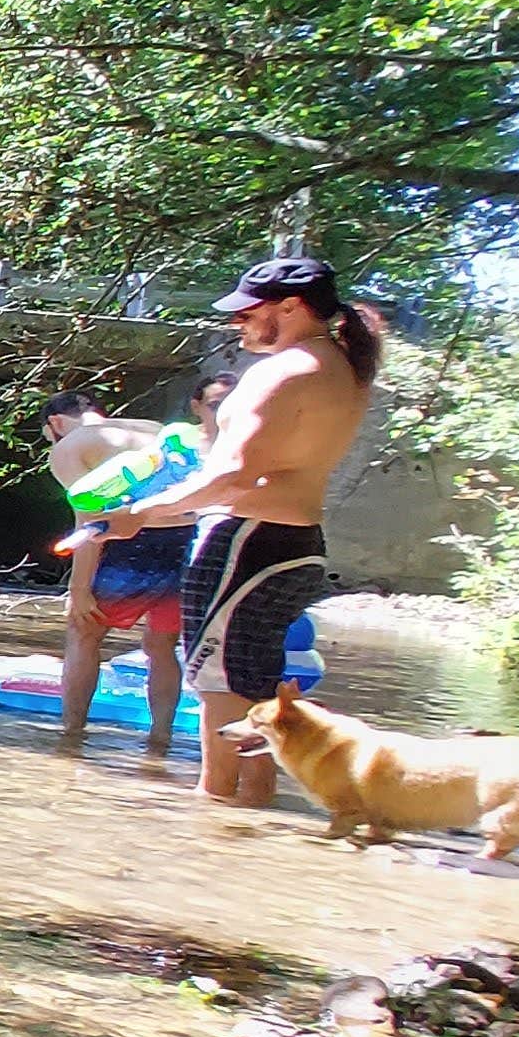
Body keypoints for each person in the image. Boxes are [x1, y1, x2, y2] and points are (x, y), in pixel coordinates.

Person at [59, 258, 381, 804]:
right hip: (297, 544)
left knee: (216, 686)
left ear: (290, 307)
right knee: (252, 684)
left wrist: (139, 514)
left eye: (248, 313)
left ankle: (211, 816)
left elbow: (232, 474)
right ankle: (253, 811)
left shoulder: (283, 372)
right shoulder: (344, 369)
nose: (239, 324)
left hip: (246, 541)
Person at [39, 393, 187, 751]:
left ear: (56, 423)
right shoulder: (155, 430)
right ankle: (161, 739)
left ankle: (71, 735)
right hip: (187, 538)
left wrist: (79, 588)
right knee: (162, 645)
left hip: (129, 540)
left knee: (84, 632)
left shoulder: (70, 446)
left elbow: (91, 521)